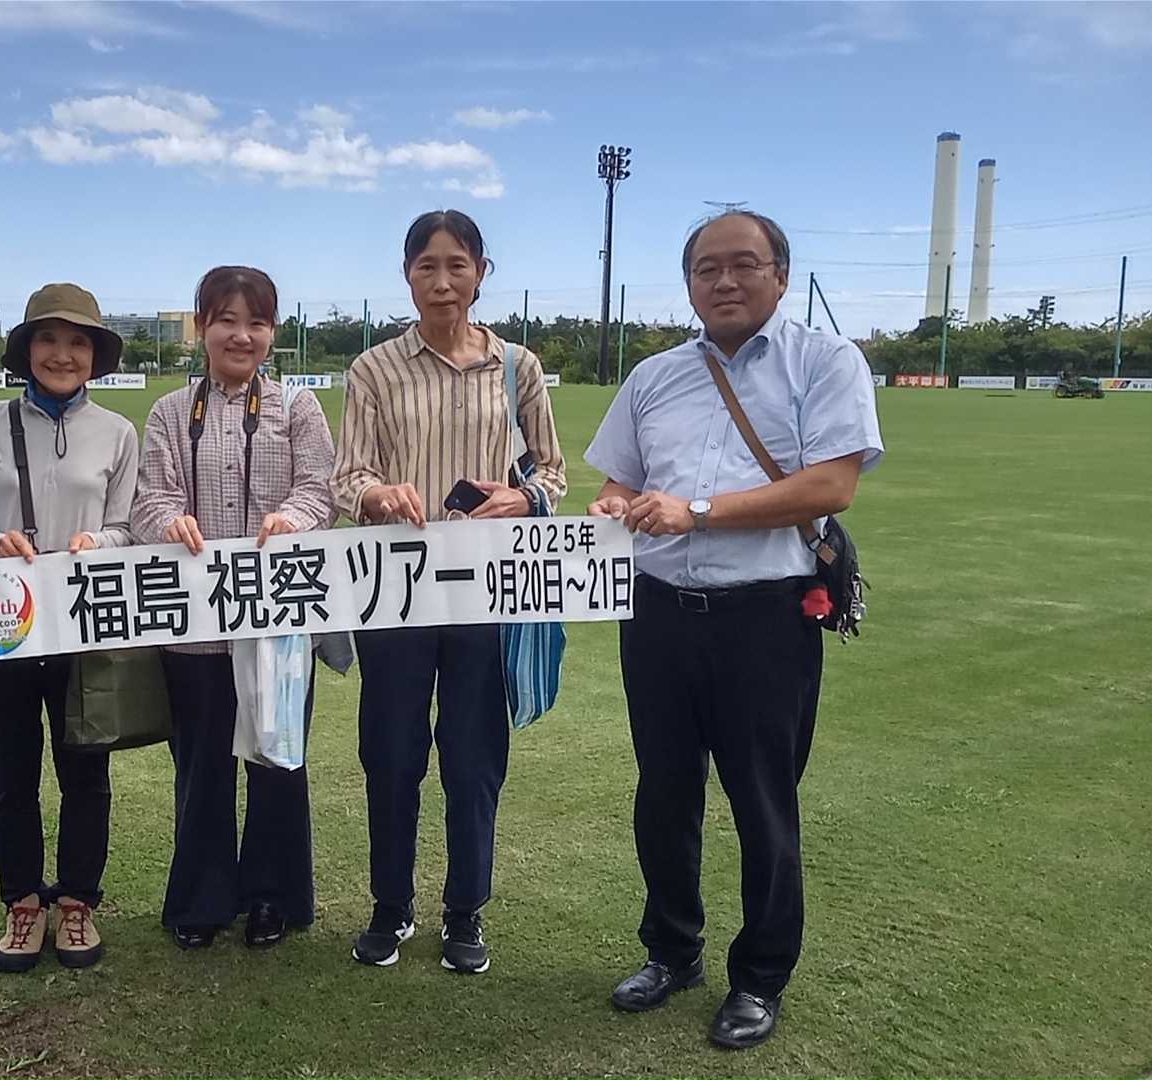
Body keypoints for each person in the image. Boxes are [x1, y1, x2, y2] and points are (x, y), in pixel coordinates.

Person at [583, 210, 884, 1048]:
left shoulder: (823, 362)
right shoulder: (653, 377)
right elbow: (619, 481)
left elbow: (830, 485)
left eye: (744, 265)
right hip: (657, 618)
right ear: (688, 284)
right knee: (664, 795)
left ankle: (759, 978)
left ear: (780, 276)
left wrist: (699, 513)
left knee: (762, 802)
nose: (724, 281)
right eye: (706, 268)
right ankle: (672, 950)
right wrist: (614, 506)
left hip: (765, 620)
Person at [331, 210, 568, 974]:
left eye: (457, 264)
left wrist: (523, 499)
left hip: (483, 593)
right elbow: (347, 477)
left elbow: (553, 475)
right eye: (427, 265)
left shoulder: (517, 366)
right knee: (391, 754)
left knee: (472, 760)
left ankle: (465, 911)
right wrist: (375, 497)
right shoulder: (374, 369)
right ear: (406, 274)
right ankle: (390, 907)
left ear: (481, 272)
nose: (442, 281)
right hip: (394, 591)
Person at [131, 266, 337, 952]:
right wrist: (168, 521)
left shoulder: (297, 408)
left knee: (278, 763)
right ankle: (202, 898)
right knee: (201, 764)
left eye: (256, 321)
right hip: (192, 628)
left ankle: (273, 898)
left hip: (278, 627)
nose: (240, 334)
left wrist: (291, 519)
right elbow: (147, 498)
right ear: (202, 327)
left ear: (272, 332)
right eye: (225, 319)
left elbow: (321, 490)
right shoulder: (169, 411)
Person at [0, 283, 137, 973]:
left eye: (78, 341)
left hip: (82, 623)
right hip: (2, 621)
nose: (63, 354)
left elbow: (126, 524)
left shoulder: (118, 431)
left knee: (85, 771)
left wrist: (101, 542)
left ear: (95, 355)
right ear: (27, 349)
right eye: (49, 340)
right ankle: (22, 904)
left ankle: (79, 903)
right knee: (10, 773)